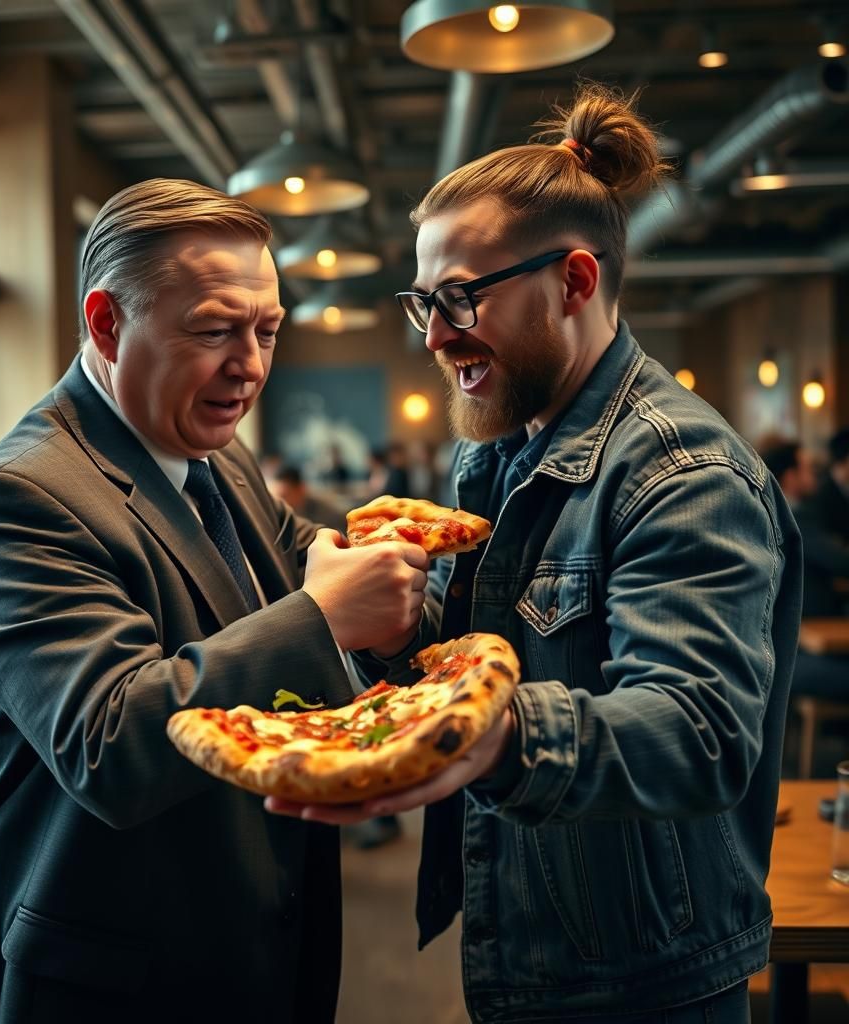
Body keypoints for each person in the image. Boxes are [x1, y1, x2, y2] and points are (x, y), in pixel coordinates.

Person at [268, 85, 802, 1023]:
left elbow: (700, 733)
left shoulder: (685, 472)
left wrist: (492, 735)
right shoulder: (497, 449)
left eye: (463, 297)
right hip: (530, 940)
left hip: (646, 980)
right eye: (424, 303)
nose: (436, 335)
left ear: (576, 282)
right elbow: (501, 648)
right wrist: (400, 625)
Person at [0, 179, 428, 1024]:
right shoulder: (17, 500)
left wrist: (383, 584)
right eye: (212, 331)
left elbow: (307, 558)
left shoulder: (218, 454)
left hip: (245, 939)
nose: (251, 366)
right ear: (105, 323)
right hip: (104, 981)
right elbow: (108, 741)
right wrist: (325, 618)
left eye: (267, 332)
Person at [760, 438, 849, 707]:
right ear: (790, 477)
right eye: (808, 468)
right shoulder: (792, 519)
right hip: (791, 657)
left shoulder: (766, 513)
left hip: (775, 652)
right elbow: (842, 561)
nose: (815, 474)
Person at [271, 462, 348, 531]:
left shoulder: (326, 514)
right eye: (277, 496)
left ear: (301, 489)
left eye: (285, 495)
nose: (280, 501)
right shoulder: (278, 514)